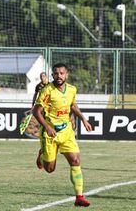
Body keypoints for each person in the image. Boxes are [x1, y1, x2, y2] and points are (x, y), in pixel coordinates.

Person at [32, 63, 93, 207]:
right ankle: (41, 155)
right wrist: (46, 127)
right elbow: (36, 111)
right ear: (52, 75)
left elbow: (73, 106)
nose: (59, 76)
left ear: (67, 75)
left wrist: (83, 119)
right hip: (50, 133)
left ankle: (79, 197)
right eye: (56, 73)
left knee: (76, 160)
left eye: (62, 73)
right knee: (49, 169)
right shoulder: (47, 90)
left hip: (66, 131)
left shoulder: (72, 89)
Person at [20, 72, 49, 137]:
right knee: (40, 118)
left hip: (49, 105)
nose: (42, 78)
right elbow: (35, 95)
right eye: (41, 77)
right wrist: (33, 104)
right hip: (41, 104)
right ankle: (42, 132)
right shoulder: (38, 86)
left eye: (43, 76)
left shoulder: (50, 85)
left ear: (46, 77)